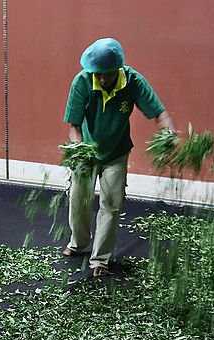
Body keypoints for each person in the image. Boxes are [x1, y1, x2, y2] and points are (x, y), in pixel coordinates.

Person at [63, 38, 174, 276]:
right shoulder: (82, 81)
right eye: (98, 74)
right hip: (87, 152)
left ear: (118, 69)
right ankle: (78, 242)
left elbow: (159, 113)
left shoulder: (133, 81)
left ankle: (100, 259)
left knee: (111, 204)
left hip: (116, 152)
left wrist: (169, 133)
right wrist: (79, 148)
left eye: (107, 74)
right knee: (78, 198)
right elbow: (74, 125)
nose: (102, 78)